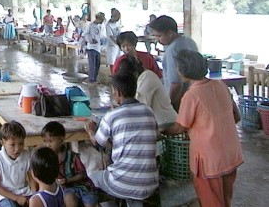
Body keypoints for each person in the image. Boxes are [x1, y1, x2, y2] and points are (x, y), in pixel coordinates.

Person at [161, 50, 243, 207]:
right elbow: (236, 117)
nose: (177, 70)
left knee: (211, 201)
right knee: (225, 198)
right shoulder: (221, 85)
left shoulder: (192, 95)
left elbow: (179, 128)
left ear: (184, 70)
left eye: (178, 67)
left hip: (209, 159)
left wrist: (162, 129)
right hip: (231, 153)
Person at [84, 72, 159, 206]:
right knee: (130, 182)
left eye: (113, 91)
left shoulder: (112, 115)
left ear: (118, 93)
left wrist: (91, 131)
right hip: (150, 183)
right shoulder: (148, 111)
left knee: (92, 177)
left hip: (122, 183)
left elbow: (97, 142)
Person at [42, 121, 98, 207]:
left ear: (61, 140)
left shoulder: (72, 157)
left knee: (90, 204)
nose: (47, 145)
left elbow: (81, 174)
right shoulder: (47, 159)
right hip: (68, 189)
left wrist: (67, 180)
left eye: (50, 141)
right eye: (45, 141)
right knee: (69, 201)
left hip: (83, 186)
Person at [149, 15, 198, 111]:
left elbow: (176, 83)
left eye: (159, 36)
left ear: (170, 33)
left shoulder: (172, 50)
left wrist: (169, 105)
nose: (157, 40)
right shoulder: (189, 41)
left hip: (179, 100)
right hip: (193, 96)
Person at [117, 56, 176, 126]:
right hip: (159, 124)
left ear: (134, 74)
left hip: (166, 125)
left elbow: (138, 109)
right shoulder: (143, 77)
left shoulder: (147, 77)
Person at [0, 121, 34, 207]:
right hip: (4, 196)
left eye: (21, 144)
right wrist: (16, 198)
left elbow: (32, 178)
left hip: (24, 193)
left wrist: (35, 195)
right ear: (2, 142)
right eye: (12, 145)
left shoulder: (27, 155)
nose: (17, 149)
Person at [82, 12, 105, 84]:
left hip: (98, 48)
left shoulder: (99, 26)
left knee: (97, 64)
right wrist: (90, 40)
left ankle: (94, 78)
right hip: (91, 48)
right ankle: (91, 80)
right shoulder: (90, 25)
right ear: (97, 18)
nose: (102, 21)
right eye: (101, 20)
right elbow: (84, 34)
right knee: (92, 65)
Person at [105, 8, 122, 74]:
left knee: (118, 60)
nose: (118, 20)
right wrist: (118, 43)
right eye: (117, 18)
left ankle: (117, 73)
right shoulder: (108, 25)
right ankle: (113, 74)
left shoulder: (117, 23)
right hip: (112, 45)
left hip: (118, 45)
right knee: (112, 62)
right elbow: (111, 37)